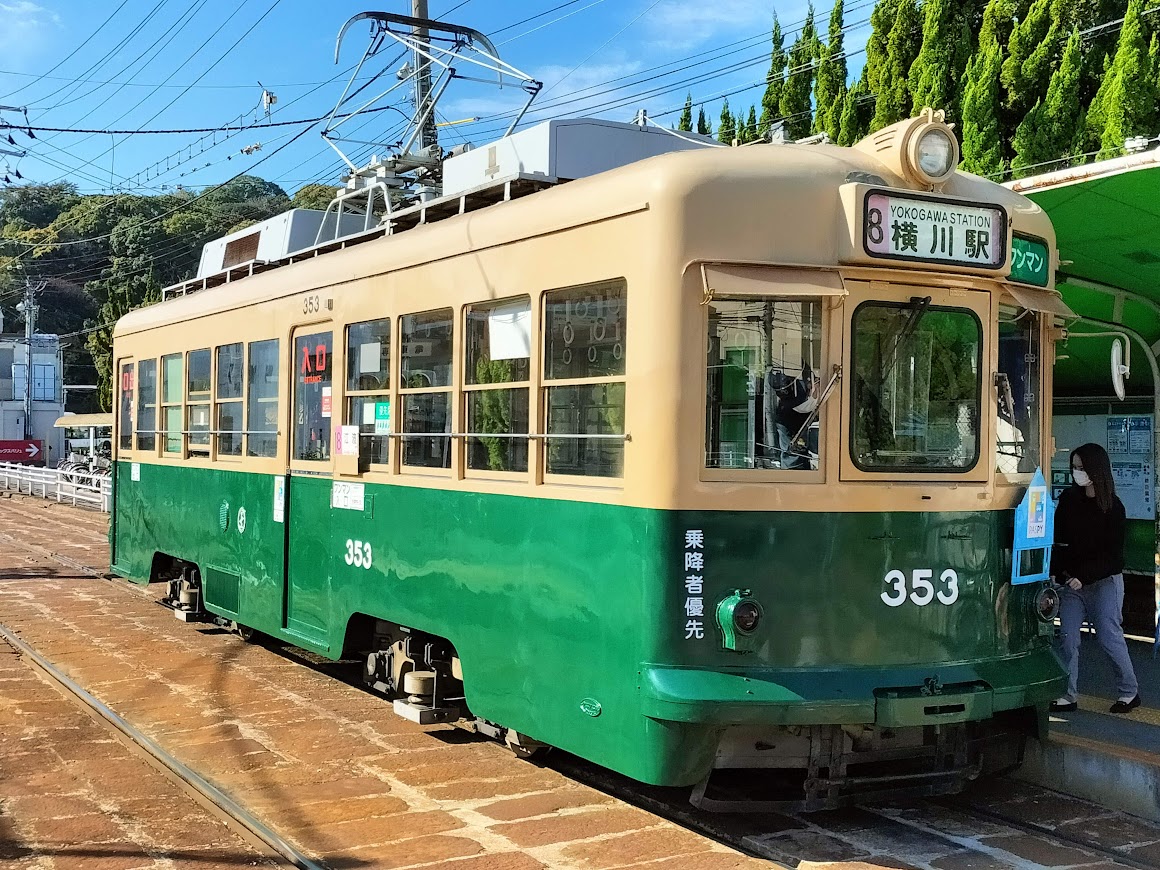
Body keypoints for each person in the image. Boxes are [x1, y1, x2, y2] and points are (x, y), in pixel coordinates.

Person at [1050, 442, 1140, 714]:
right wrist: (1057, 572)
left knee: (1108, 637)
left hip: (1104, 582)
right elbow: (1059, 541)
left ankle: (1129, 692)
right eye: (1074, 468)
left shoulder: (1114, 507)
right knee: (1067, 637)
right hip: (1071, 583)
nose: (1077, 473)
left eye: (1081, 468)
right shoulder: (1068, 500)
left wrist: (1084, 575)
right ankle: (1068, 694)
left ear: (1096, 469)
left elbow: (1115, 557)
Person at [769, 365, 817, 470]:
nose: (811, 386)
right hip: (795, 467)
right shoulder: (792, 407)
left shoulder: (788, 402)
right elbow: (811, 405)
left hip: (797, 464)